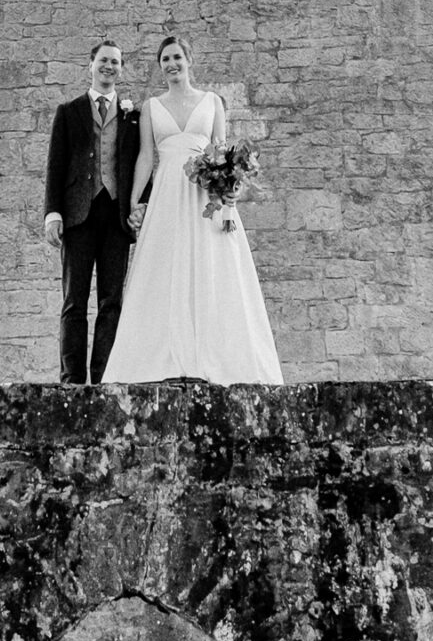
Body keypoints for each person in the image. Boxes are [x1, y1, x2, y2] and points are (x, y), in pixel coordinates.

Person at [102, 33, 282, 385]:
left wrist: (231, 190)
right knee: (164, 267)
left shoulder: (213, 102)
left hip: (205, 195)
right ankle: (162, 354)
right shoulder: (152, 107)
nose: (171, 65)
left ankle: (213, 354)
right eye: (165, 60)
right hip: (168, 192)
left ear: (189, 61)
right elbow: (146, 158)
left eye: (176, 58)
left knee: (212, 266)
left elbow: (222, 150)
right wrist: (136, 201)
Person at [43, 38, 143, 384]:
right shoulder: (69, 112)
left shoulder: (133, 116)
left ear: (121, 68)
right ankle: (71, 377)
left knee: (111, 300)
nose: (109, 67)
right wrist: (52, 213)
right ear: (91, 64)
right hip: (78, 216)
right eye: (104, 61)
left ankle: (103, 376)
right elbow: (55, 166)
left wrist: (139, 205)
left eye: (115, 62)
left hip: (115, 217)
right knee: (74, 300)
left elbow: (142, 164)